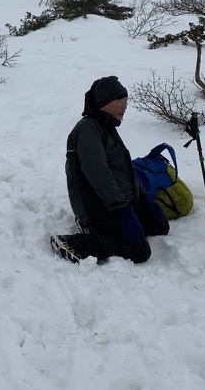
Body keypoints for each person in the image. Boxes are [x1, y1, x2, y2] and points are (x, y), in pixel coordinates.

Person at [54, 76, 169, 264]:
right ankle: (75, 242)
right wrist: (123, 212)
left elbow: (124, 170)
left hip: (119, 200)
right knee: (139, 250)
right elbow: (99, 175)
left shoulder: (107, 126)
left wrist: (144, 197)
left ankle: (117, 229)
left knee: (159, 225)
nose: (125, 106)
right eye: (119, 102)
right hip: (97, 206)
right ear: (103, 103)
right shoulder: (88, 129)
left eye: (126, 101)